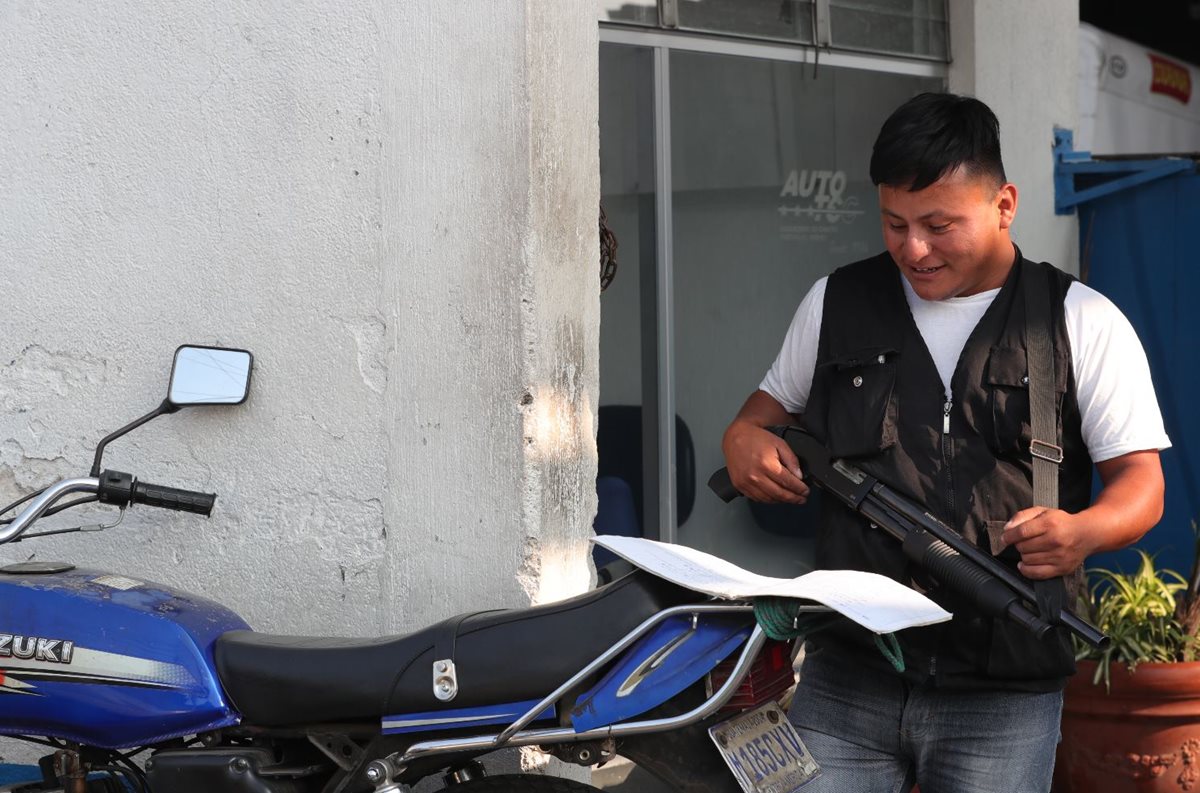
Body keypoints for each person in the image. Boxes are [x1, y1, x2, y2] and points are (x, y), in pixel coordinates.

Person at [721, 92, 1170, 793]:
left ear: (1005, 204)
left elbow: (1142, 484)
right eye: (894, 223)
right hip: (846, 675)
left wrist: (1082, 531)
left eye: (939, 224)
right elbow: (761, 413)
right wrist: (743, 437)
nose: (914, 248)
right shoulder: (836, 301)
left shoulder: (1081, 320)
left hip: (1004, 689)